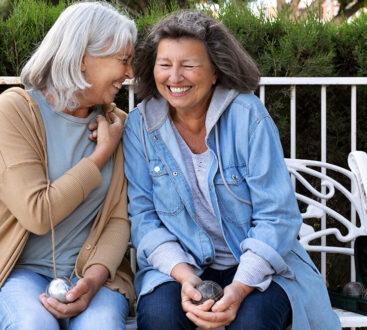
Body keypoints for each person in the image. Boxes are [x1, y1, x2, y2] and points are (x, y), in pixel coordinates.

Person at [123, 10, 341, 330]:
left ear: (215, 71)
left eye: (189, 65)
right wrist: (186, 278)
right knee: (159, 318)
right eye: (165, 64)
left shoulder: (248, 116)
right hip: (179, 265)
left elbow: (276, 216)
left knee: (252, 322)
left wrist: (239, 289)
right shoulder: (139, 126)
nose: (175, 76)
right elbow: (144, 218)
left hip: (259, 266)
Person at [0, 2, 137, 329]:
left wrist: (91, 281)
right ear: (82, 58)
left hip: (96, 274)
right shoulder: (15, 112)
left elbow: (120, 219)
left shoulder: (117, 123)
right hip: (21, 272)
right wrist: (100, 156)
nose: (130, 73)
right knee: (33, 324)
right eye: (124, 60)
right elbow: (38, 212)